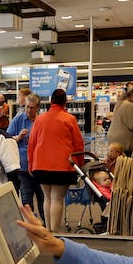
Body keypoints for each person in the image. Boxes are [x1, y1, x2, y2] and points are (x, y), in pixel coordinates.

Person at [27, 88, 83, 233]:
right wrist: (80, 164)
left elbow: (32, 143)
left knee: (47, 197)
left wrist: (30, 164)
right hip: (63, 166)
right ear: (65, 102)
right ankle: (55, 233)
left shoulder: (39, 119)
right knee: (57, 199)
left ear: (50, 101)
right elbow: (78, 145)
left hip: (41, 165)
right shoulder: (70, 119)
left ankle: (48, 230)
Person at [7, 92, 44, 219]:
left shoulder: (42, 121)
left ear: (37, 108)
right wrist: (18, 137)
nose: (28, 110)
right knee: (26, 201)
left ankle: (47, 229)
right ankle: (30, 229)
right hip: (23, 167)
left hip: (40, 167)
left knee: (43, 199)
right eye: (26, 106)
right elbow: (7, 139)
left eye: (31, 107)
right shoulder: (19, 119)